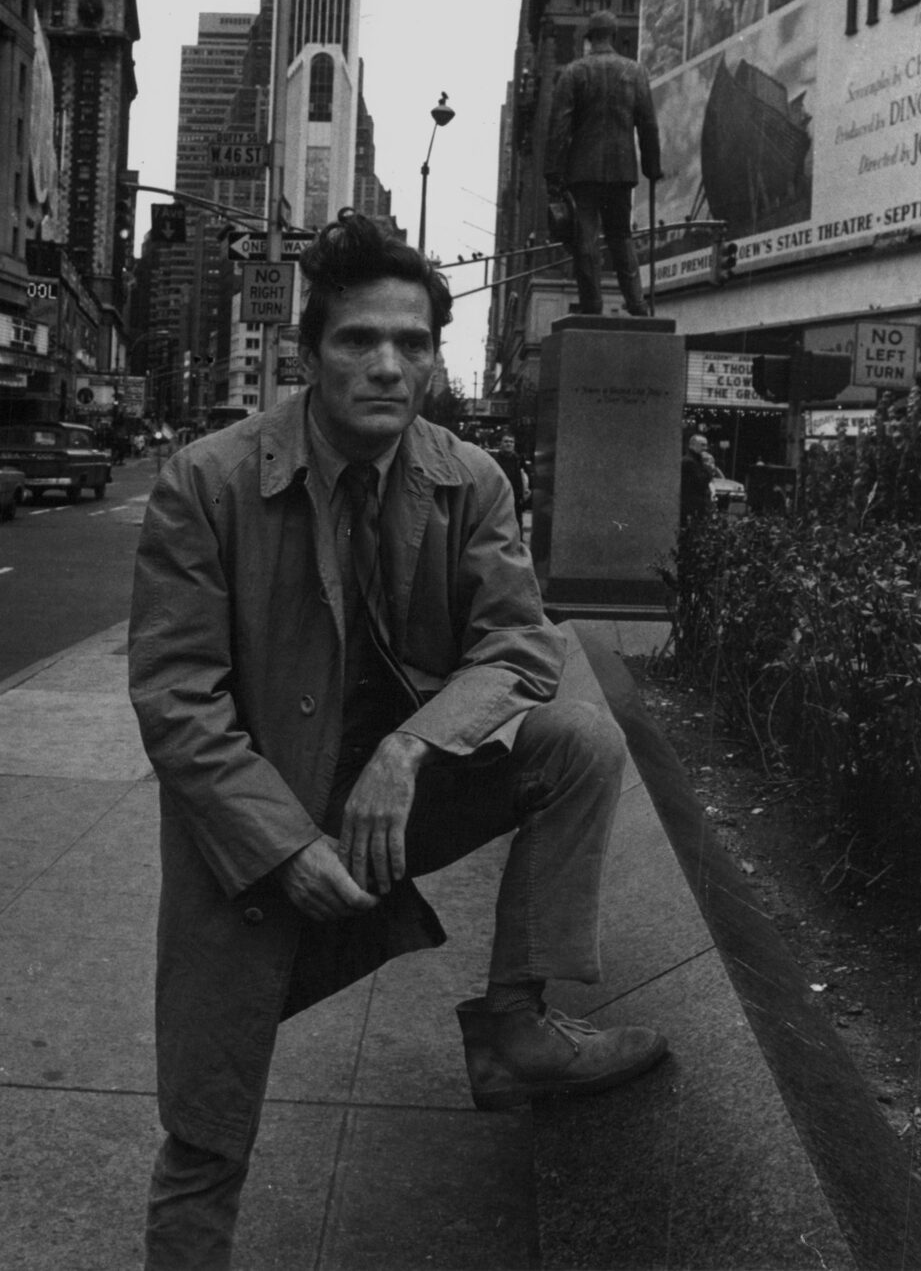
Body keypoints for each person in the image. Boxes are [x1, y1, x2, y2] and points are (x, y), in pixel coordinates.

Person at [129, 213, 668, 1270]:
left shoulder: (470, 479)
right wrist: (283, 844)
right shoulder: (207, 480)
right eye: (358, 341)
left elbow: (519, 647)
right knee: (204, 1126)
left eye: (413, 344)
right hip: (255, 828)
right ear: (308, 353)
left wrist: (409, 749)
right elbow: (177, 703)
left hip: (393, 804)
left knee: (577, 743)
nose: (388, 365)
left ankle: (517, 1024)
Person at [544, 10, 662, 317]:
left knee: (586, 240)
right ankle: (637, 303)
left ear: (589, 38)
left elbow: (558, 127)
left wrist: (553, 174)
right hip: (622, 170)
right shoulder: (635, 72)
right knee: (621, 237)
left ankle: (592, 306)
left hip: (583, 172)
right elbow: (648, 124)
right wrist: (652, 166)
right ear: (614, 36)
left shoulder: (574, 72)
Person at [491, 431, 530, 529]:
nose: (509, 444)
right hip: (500, 495)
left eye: (511, 442)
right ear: (501, 444)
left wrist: (525, 492)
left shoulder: (518, 459)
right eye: (506, 441)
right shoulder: (494, 460)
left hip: (516, 495)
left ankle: (518, 541)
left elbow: (526, 475)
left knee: (517, 520)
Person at [680, 433, 714, 524]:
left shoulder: (696, 461)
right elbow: (701, 482)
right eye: (702, 445)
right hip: (692, 505)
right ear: (693, 445)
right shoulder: (689, 462)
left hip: (695, 504)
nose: (705, 448)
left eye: (706, 445)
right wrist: (708, 468)